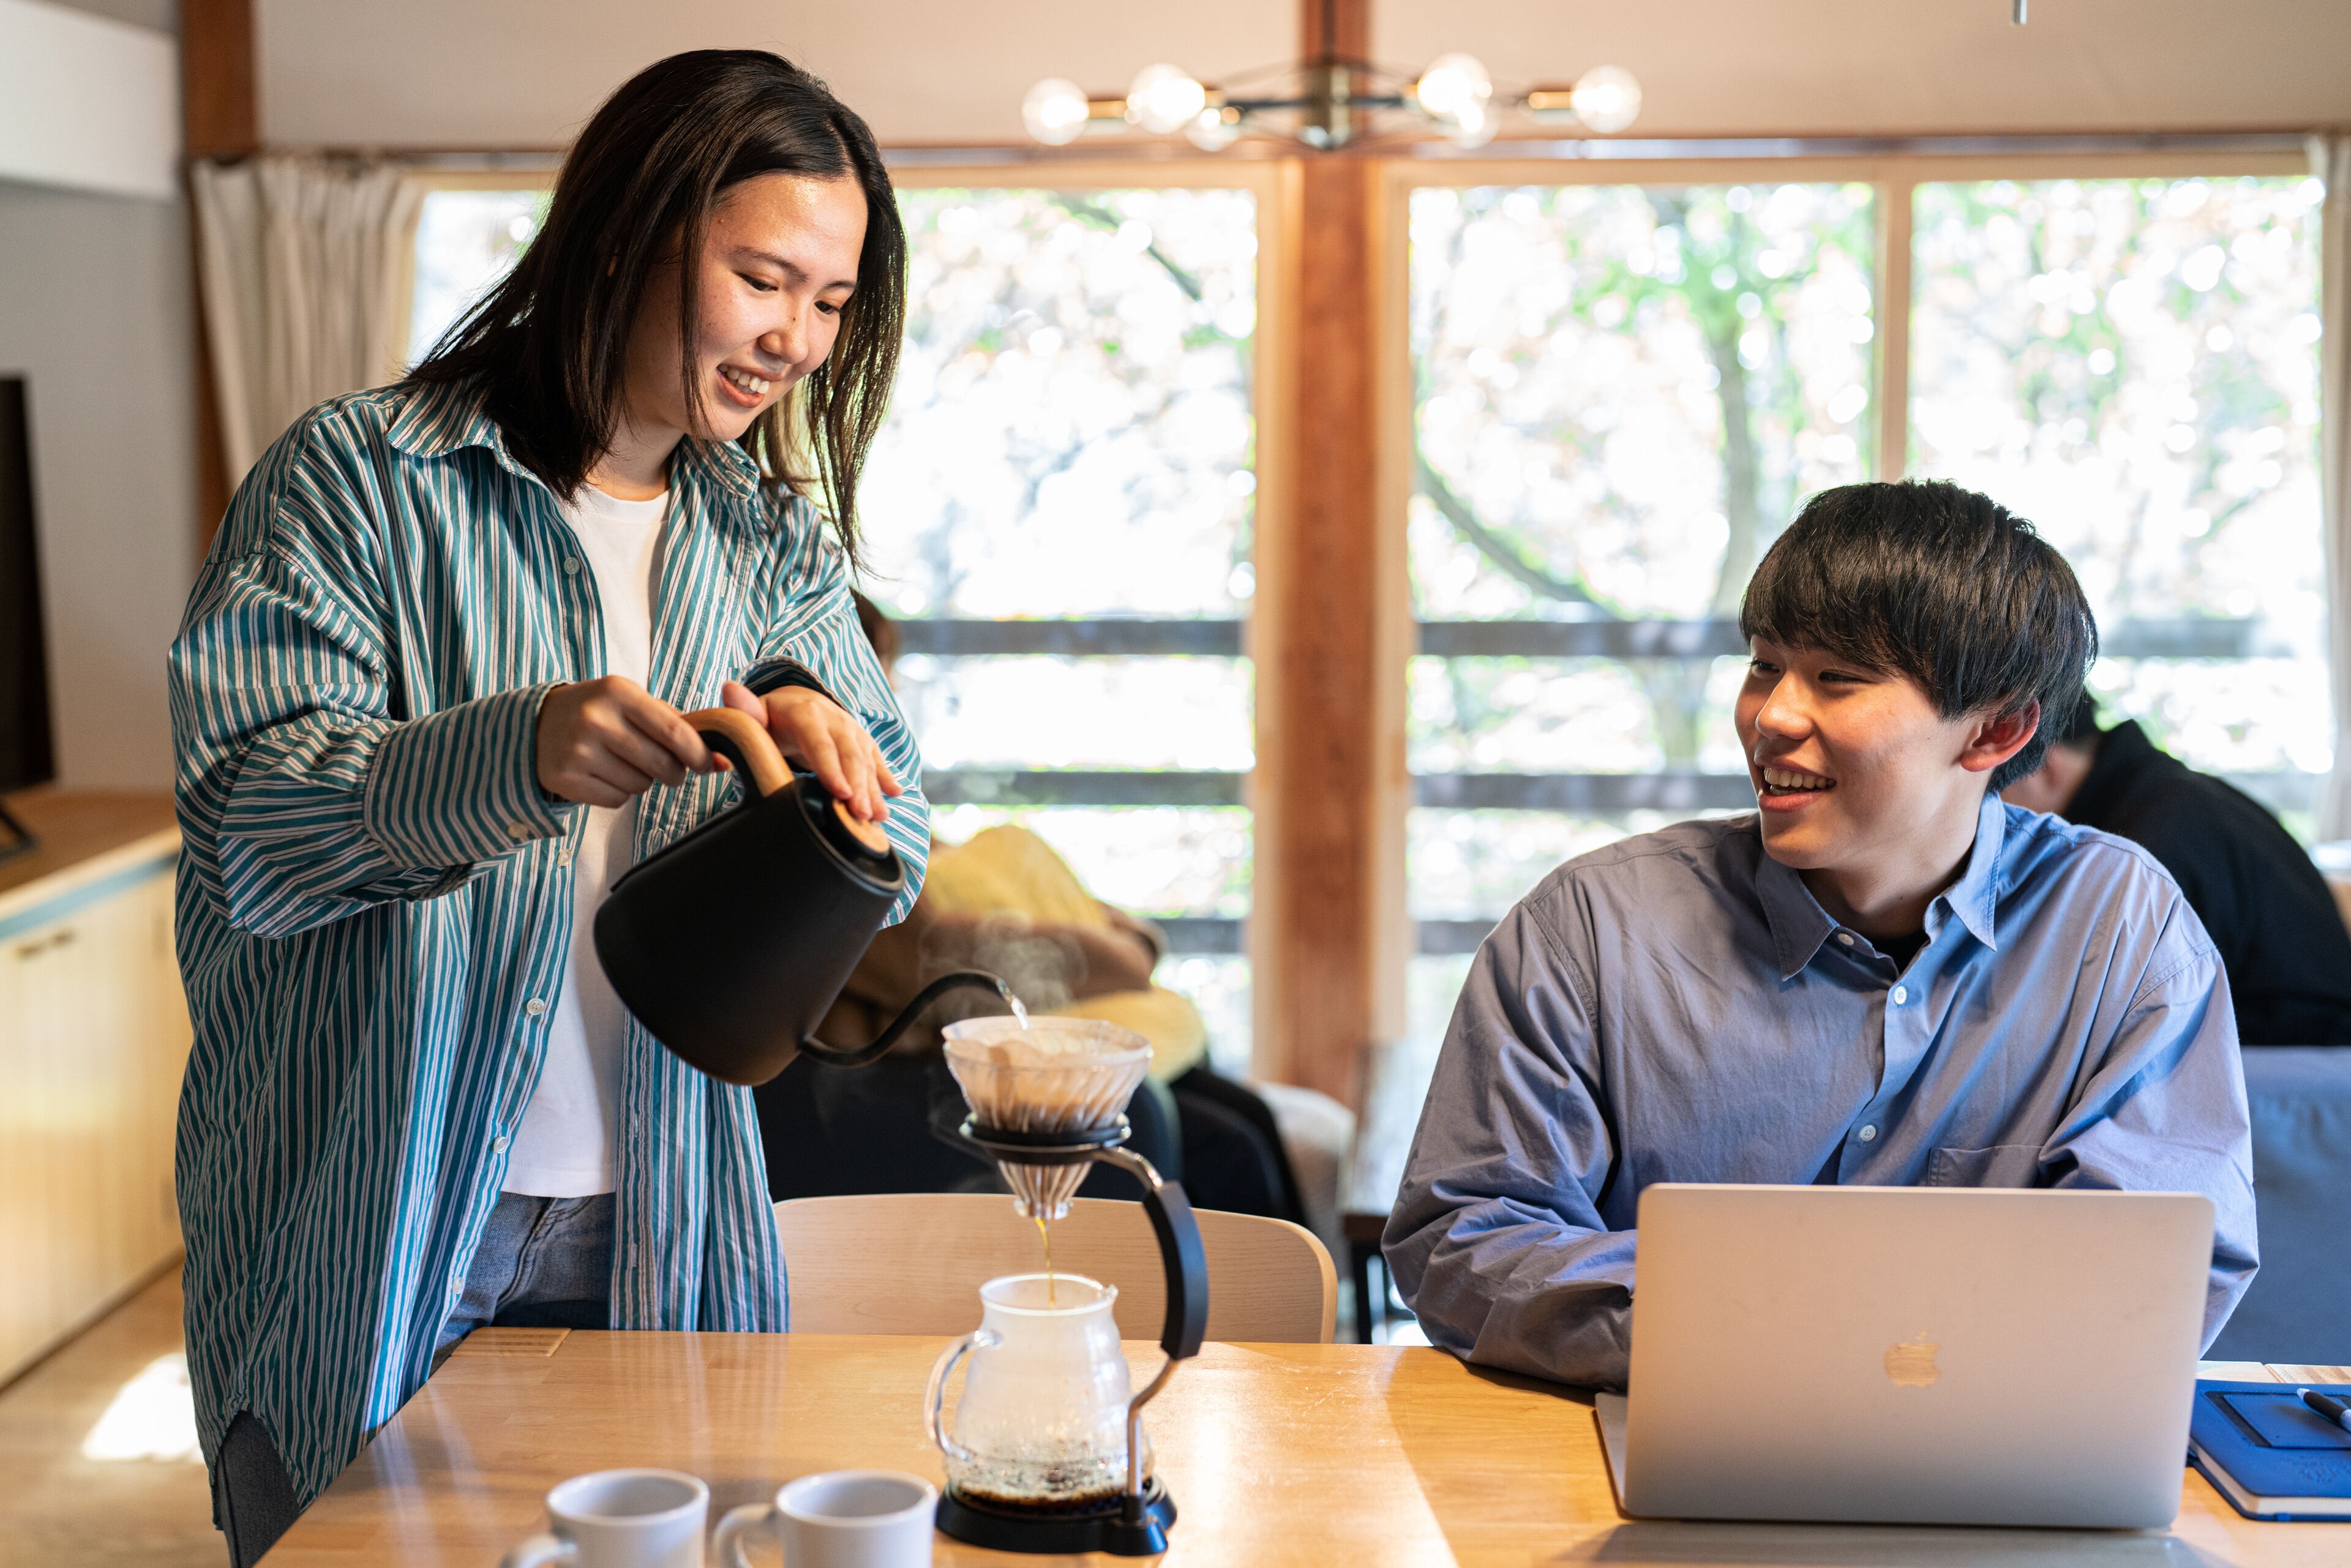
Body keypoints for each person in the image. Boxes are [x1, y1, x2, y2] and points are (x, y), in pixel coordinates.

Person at [168, 52, 920, 1564]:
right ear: (629, 234)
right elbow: (245, 820)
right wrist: (513, 752)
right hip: (375, 1225)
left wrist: (824, 753)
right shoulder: (358, 482)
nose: (795, 339)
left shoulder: (765, 536)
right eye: (764, 278)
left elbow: (894, 860)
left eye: (832, 302)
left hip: (668, 1221)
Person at [1384, 480, 2256, 1391]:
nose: (1772, 716)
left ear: (1995, 729)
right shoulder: (1592, 927)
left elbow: (2157, 1267)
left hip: (1989, 1468)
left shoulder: (2119, 927)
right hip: (1657, 1454)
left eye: (1836, 678)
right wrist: (1795, 1331)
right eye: (1765, 665)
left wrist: (1783, 1313)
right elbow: (1465, 1236)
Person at [755, 593, 1335, 1233]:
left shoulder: (879, 807)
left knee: (1246, 1115)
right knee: (1222, 1145)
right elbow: (928, 952)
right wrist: (1122, 952)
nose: (889, 692)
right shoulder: (803, 822)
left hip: (927, 1059)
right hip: (884, 1088)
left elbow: (954, 875)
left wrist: (1122, 934)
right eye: (878, 669)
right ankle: (1225, 1323)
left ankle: (1307, 1320)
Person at [2003, 696, 2351, 1044]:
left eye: (1997, 785)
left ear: (2045, 766)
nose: (1993, 809)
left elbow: (2115, 1012)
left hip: (2302, 1046)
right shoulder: (2162, 792)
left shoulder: (2144, 840)